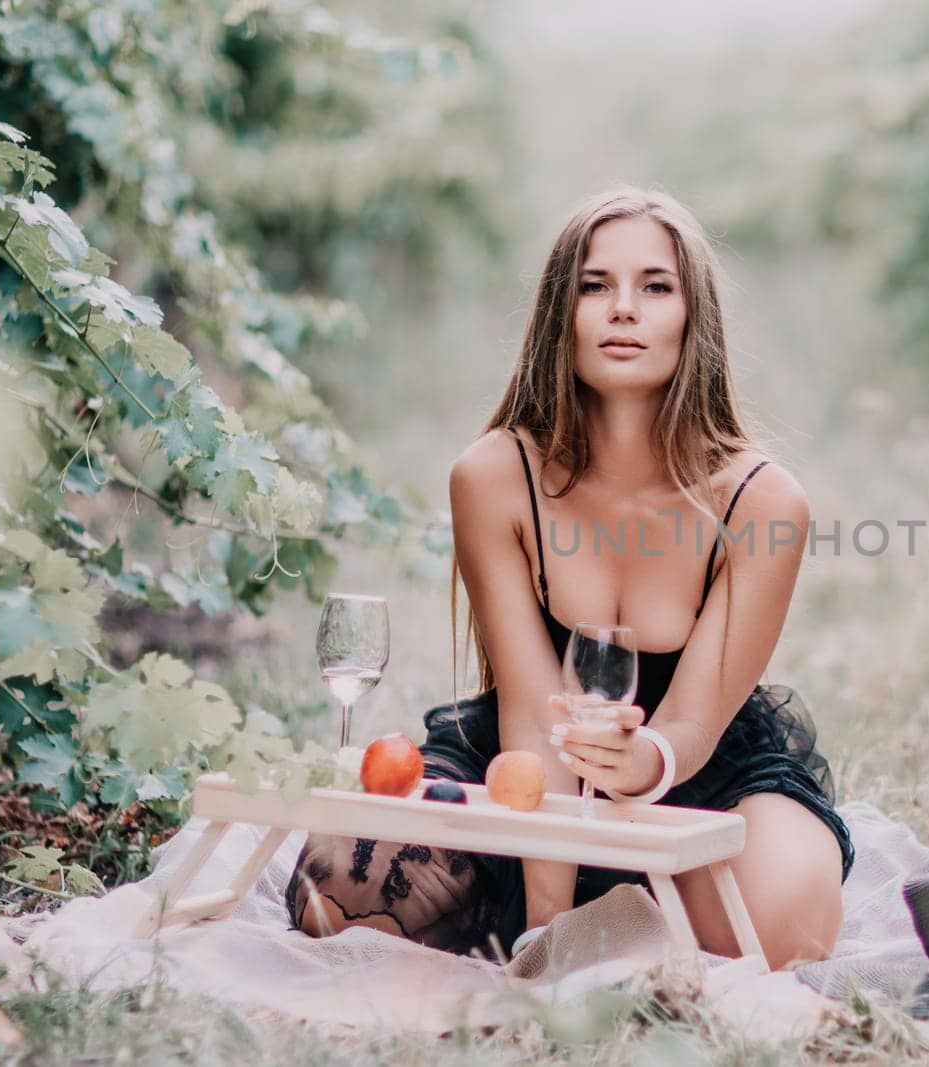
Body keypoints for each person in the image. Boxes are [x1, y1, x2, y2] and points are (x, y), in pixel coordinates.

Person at [283, 186, 854, 970]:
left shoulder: (761, 500)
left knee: (790, 914)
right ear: (562, 311)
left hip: (697, 765)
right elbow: (528, 706)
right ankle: (571, 920)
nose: (624, 309)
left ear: (695, 320)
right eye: (596, 286)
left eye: (656, 286)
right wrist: (546, 932)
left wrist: (645, 759)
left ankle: (622, 911)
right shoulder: (493, 476)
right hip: (525, 762)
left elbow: (692, 720)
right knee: (338, 888)